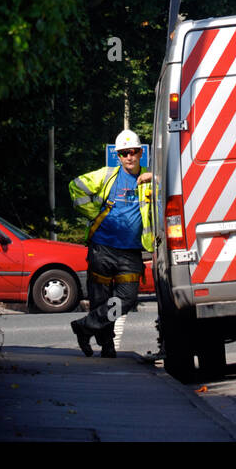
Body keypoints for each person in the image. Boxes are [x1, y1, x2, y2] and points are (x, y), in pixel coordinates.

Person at [68, 129, 153, 357]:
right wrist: (94, 213)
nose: (129, 157)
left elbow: (175, 183)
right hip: (102, 246)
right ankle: (107, 346)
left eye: (133, 152)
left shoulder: (150, 178)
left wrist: (155, 177)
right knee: (100, 299)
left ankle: (84, 327)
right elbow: (75, 186)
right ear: (118, 155)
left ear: (140, 153)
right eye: (124, 153)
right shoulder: (107, 175)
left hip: (130, 251)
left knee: (126, 298)